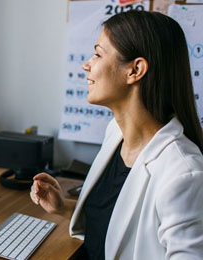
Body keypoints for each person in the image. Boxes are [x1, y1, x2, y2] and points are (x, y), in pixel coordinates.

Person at [30, 11, 203, 260]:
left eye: (98, 54)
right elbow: (116, 229)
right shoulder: (115, 133)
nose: (86, 64)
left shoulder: (184, 173)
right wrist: (64, 207)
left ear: (135, 70)